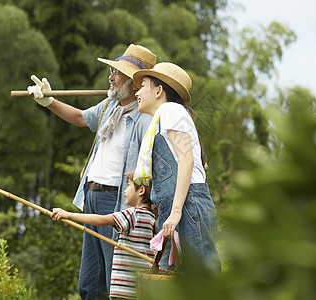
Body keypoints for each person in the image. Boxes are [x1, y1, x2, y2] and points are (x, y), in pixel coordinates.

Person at [27, 44, 156, 299]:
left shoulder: (144, 119)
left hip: (118, 202)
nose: (110, 76)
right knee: (89, 282)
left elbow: (148, 166)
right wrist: (48, 101)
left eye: (117, 73)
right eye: (112, 70)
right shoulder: (110, 106)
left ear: (133, 83)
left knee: (114, 281)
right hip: (92, 196)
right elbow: (79, 118)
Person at [132, 62, 221, 272]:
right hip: (177, 208)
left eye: (143, 85)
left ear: (159, 91)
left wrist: (176, 212)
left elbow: (186, 159)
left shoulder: (170, 110)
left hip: (187, 205)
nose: (137, 91)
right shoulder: (163, 118)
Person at [51, 172, 156, 299]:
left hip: (124, 289)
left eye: (128, 186)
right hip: (141, 288)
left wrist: (68, 214)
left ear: (141, 191)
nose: (124, 191)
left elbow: (101, 220)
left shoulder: (132, 214)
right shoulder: (151, 218)